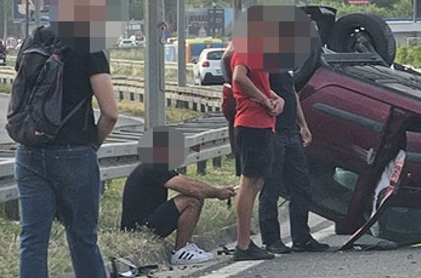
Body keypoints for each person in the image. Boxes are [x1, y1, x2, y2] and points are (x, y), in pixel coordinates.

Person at [14, 26, 118, 278]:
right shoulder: (89, 46)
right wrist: (93, 143)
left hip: (29, 150)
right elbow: (111, 113)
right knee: (82, 237)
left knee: (32, 240)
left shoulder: (34, 39)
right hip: (75, 151)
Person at [259, 72, 330, 254]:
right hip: (273, 130)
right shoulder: (261, 63)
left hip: (291, 131)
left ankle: (301, 237)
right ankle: (271, 239)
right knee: (271, 186)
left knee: (301, 186)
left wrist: (303, 125)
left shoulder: (283, 64)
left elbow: (293, 94)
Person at [120, 158, 236, 265]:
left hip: (145, 222)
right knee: (192, 200)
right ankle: (180, 251)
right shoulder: (154, 166)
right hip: (140, 229)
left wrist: (217, 190)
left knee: (197, 196)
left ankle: (187, 245)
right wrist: (217, 193)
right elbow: (190, 188)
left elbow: (189, 181)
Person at [230, 42, 284, 261]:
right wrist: (264, 100)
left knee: (256, 182)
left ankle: (245, 241)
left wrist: (278, 99)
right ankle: (243, 244)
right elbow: (238, 77)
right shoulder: (246, 50)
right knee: (249, 183)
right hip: (252, 123)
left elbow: (260, 84)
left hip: (261, 124)